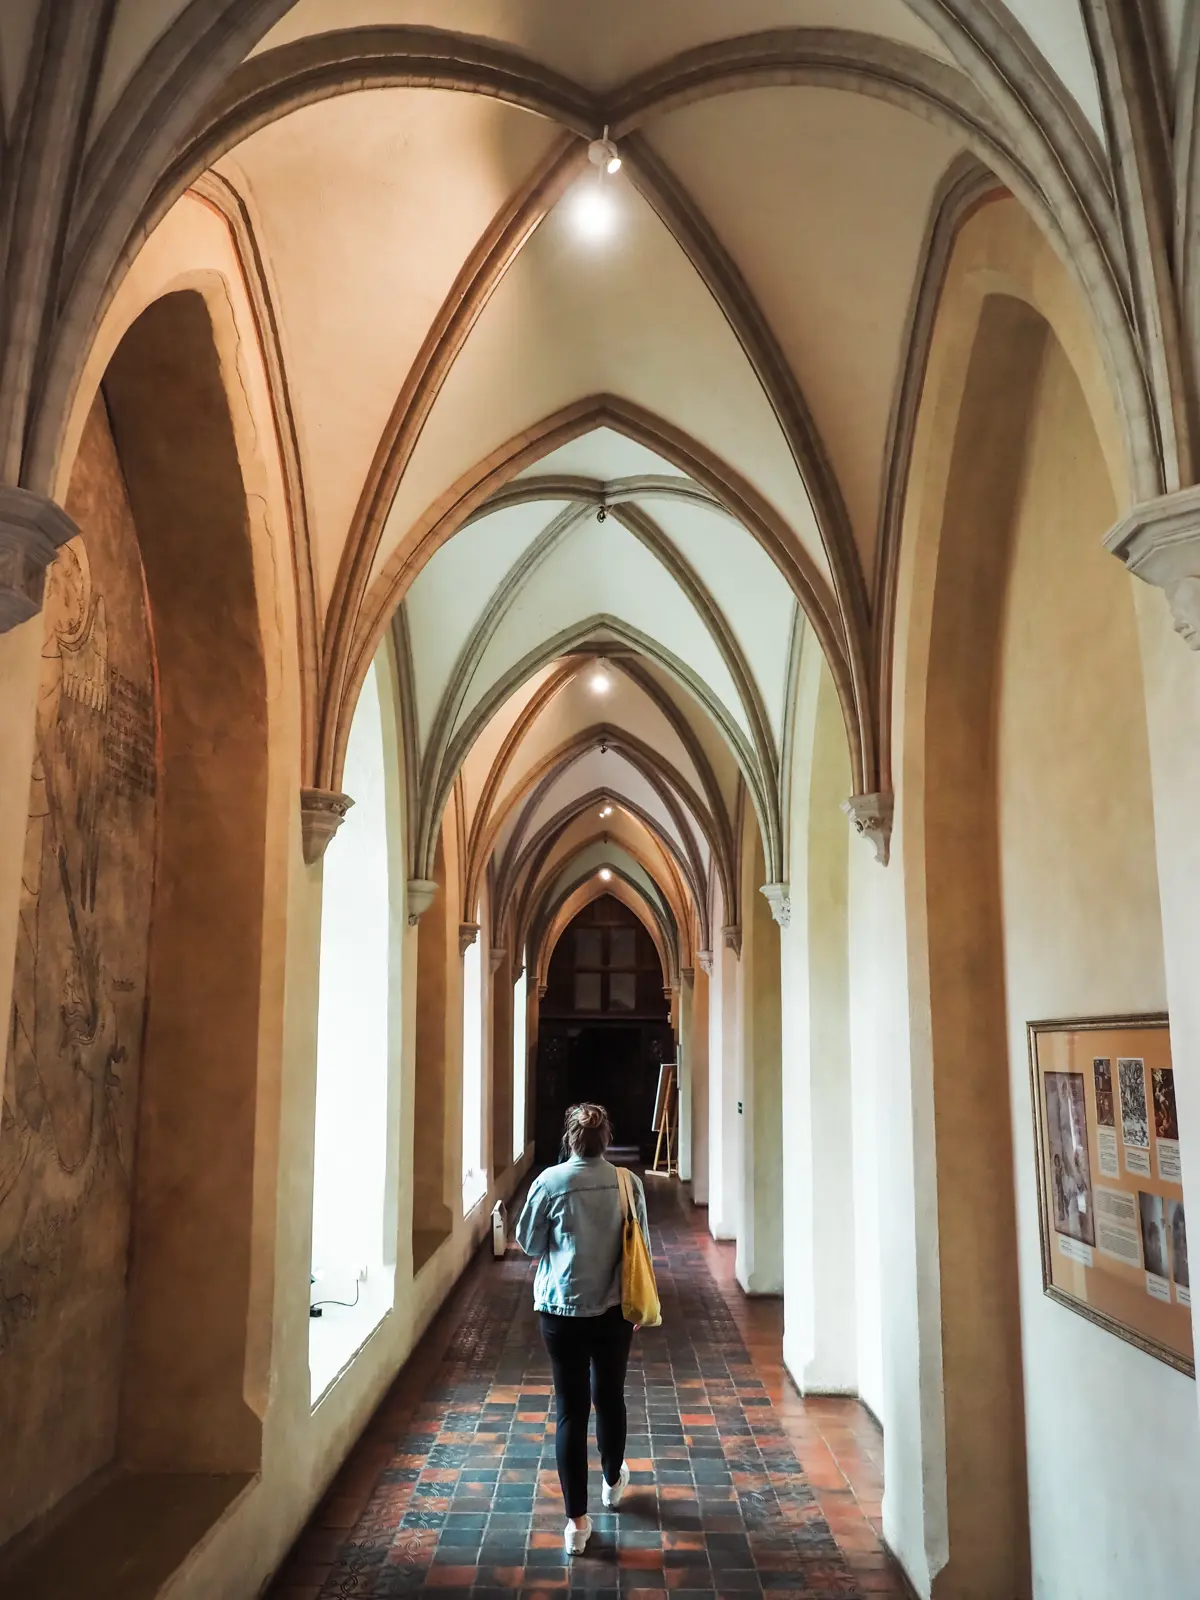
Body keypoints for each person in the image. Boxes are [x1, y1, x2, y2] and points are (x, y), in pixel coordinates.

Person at [515, 1102, 651, 1555]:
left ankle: (577, 1523)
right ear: (605, 1139)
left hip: (559, 1311)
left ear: (569, 1139)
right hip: (614, 1311)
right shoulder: (627, 1183)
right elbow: (642, 1246)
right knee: (610, 1396)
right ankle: (613, 1481)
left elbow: (530, 1243)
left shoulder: (549, 1183)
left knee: (571, 1411)